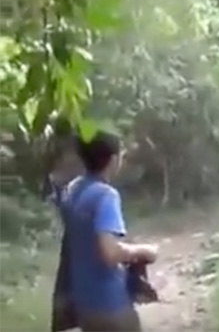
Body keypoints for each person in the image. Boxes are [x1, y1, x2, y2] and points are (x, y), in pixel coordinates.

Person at [58, 129, 158, 332]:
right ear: (113, 160)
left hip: (84, 303)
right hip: (110, 304)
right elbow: (110, 253)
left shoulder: (72, 190)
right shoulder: (106, 195)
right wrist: (144, 251)